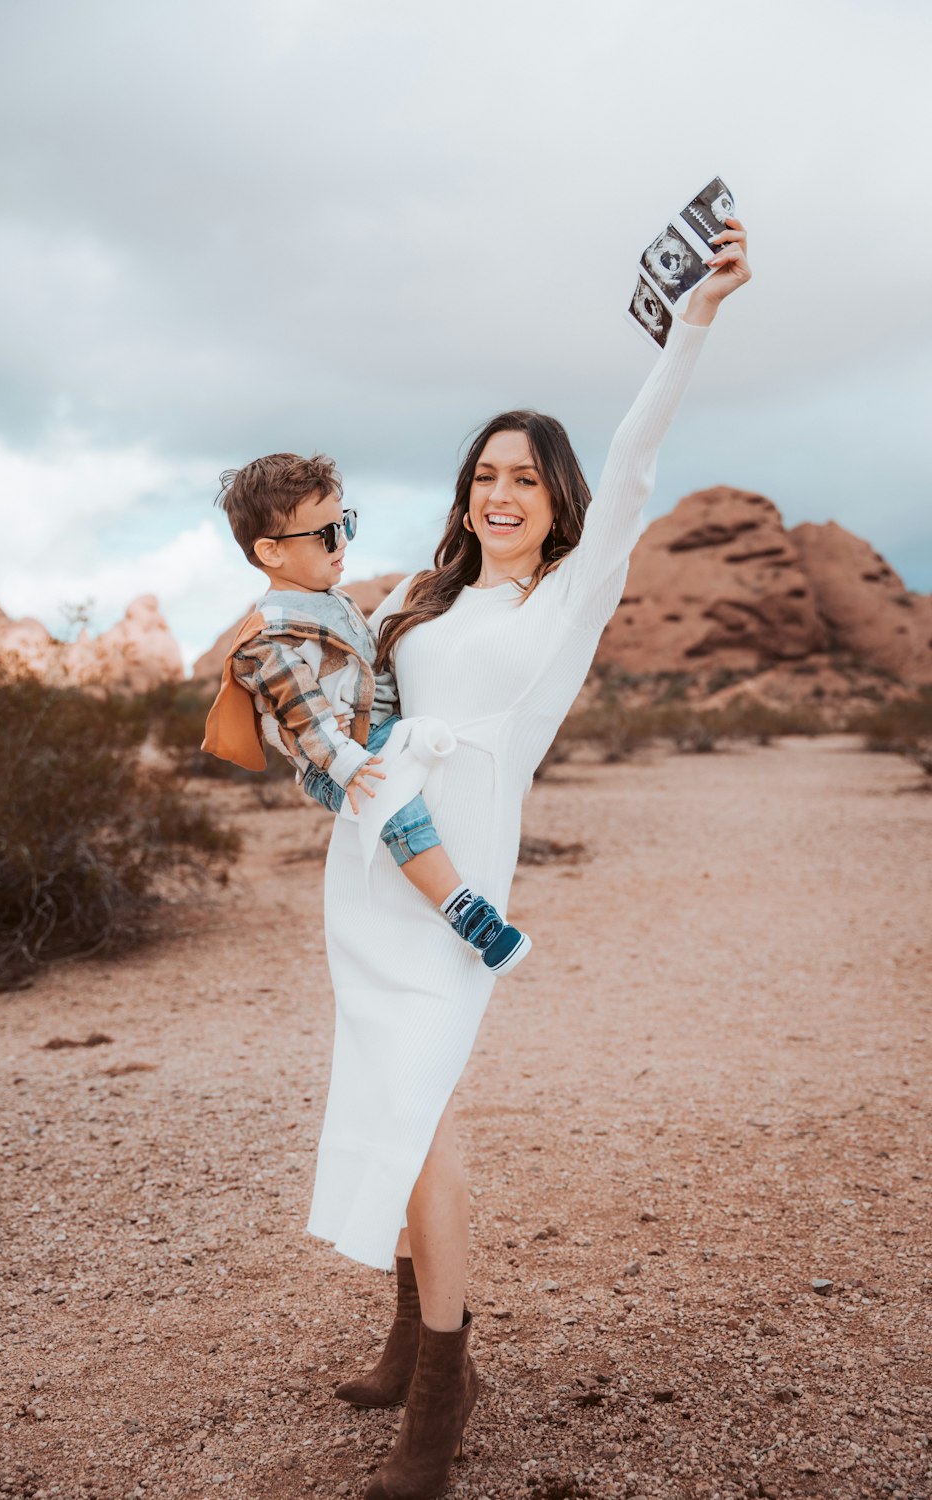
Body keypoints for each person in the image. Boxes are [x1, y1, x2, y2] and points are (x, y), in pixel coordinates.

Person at [307, 217, 752, 1500]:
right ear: (463, 494)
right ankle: (409, 1336)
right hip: (373, 875)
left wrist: (694, 321)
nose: (499, 492)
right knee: (393, 1108)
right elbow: (350, 708)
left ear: (558, 500)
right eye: (482, 475)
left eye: (526, 477)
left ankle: (441, 1397)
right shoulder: (414, 601)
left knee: (425, 1112)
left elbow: (635, 455)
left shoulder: (568, 596)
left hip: (459, 896)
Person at [201, 453, 532, 975]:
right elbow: (306, 718)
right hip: (339, 757)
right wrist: (351, 767)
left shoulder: (332, 600)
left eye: (345, 524)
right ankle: (466, 912)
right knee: (399, 807)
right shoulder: (270, 637)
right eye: (326, 535)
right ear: (270, 552)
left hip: (383, 730)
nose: (344, 543)